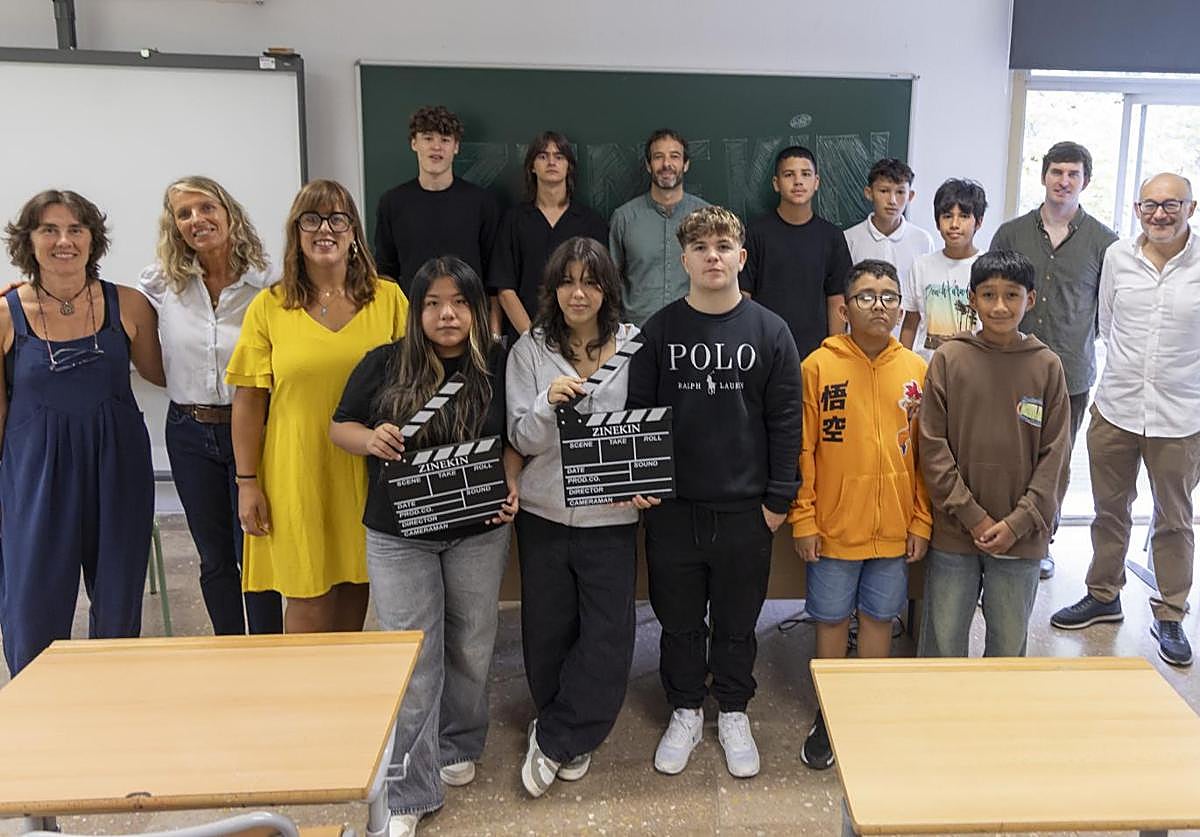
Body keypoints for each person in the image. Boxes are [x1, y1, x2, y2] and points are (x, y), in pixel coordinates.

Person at [330, 255, 519, 837]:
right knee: (412, 653)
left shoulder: (501, 365)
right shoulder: (382, 364)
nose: (447, 314)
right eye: (434, 303)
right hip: (397, 532)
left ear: (475, 309)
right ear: (416, 311)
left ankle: (459, 739)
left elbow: (516, 437)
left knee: (471, 639)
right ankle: (408, 790)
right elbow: (340, 426)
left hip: (477, 528)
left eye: (459, 302)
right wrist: (370, 437)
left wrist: (509, 481)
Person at [627, 206, 803, 780]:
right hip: (673, 509)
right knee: (677, 622)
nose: (712, 256)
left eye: (723, 246)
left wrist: (779, 499)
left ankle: (732, 709)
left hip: (746, 510)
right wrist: (643, 482)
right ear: (684, 260)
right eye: (700, 247)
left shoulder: (771, 331)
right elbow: (639, 415)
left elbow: (785, 421)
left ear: (740, 258)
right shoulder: (658, 330)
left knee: (735, 621)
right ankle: (683, 708)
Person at [227, 179, 408, 635]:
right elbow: (249, 401)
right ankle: (302, 703)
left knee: (354, 589)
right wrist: (246, 482)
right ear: (296, 231)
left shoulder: (389, 299)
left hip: (367, 468)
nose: (324, 229)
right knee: (307, 600)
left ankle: (342, 702)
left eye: (337, 219)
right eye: (312, 219)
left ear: (353, 232)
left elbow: (418, 382)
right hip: (296, 468)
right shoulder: (270, 306)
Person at [1, 189, 164, 675]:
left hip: (117, 467)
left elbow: (162, 374)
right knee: (32, 600)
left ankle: (111, 708)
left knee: (118, 601)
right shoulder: (6, 313)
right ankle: (38, 713)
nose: (63, 241)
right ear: (28, 241)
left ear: (94, 240)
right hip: (34, 472)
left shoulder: (129, 305)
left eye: (76, 229)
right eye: (49, 229)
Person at [505, 236, 643, 798]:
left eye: (590, 281)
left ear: (608, 289)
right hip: (543, 511)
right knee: (548, 627)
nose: (578, 293)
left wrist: (645, 480)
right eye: (567, 281)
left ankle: (559, 737)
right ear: (552, 288)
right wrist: (545, 405)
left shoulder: (635, 345)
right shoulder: (530, 352)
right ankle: (561, 721)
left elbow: (650, 428)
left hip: (611, 515)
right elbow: (519, 435)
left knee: (608, 632)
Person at [1050, 173, 1200, 668]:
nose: (1160, 214)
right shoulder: (1118, 257)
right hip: (1117, 406)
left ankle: (1171, 612)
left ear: (1190, 207)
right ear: (1138, 209)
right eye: (1150, 205)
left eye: (1171, 205)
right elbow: (1107, 324)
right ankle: (1103, 594)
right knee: (1109, 509)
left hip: (1181, 415)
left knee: (1174, 518)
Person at [790, 259, 931, 771]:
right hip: (831, 529)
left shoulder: (916, 370)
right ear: (845, 307)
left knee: (878, 617)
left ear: (900, 307)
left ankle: (869, 709)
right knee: (829, 620)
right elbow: (803, 450)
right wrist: (803, 519)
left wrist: (920, 520)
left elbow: (924, 455)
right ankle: (831, 714)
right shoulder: (817, 367)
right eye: (867, 296)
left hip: (894, 529)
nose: (879, 305)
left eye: (889, 296)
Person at [139, 175, 283, 635]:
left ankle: (265, 650)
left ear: (228, 212)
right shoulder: (162, 284)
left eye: (206, 208)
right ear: (174, 226)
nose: (197, 220)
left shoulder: (270, 284)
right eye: (184, 213)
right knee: (214, 556)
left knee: (256, 551)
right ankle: (229, 648)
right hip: (188, 432)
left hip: (255, 429)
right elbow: (107, 309)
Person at [917, 250, 1070, 659]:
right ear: (972, 299)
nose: (1000, 306)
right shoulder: (950, 358)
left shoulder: (1047, 366)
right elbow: (932, 445)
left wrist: (1018, 522)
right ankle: (941, 721)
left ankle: (998, 724)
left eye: (1012, 295)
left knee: (1007, 647)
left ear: (1031, 299)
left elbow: (1056, 457)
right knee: (943, 642)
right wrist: (973, 515)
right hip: (955, 531)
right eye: (988, 295)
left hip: (1021, 537)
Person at [990, 142, 1118, 580]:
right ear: (1043, 175)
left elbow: (1108, 309)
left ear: (1085, 181)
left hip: (1070, 373)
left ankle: (1040, 540)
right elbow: (992, 290)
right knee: (1006, 453)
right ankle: (1000, 535)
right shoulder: (1011, 233)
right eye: (1057, 172)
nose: (1064, 181)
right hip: (1008, 368)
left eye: (1073, 174)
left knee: (1054, 462)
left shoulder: (1105, 242)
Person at [373, 105, 501, 312]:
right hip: (411, 319)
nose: (436, 147)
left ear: (456, 147)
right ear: (414, 143)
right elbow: (386, 271)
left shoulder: (482, 203)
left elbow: (494, 275)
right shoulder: (392, 202)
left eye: (445, 139)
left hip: (469, 318)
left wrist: (493, 330)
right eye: (428, 138)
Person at [489, 131, 608, 340]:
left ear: (569, 166)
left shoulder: (591, 222)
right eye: (543, 156)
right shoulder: (513, 220)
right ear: (532, 167)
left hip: (579, 340)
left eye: (559, 156)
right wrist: (532, 339)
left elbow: (599, 285)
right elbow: (505, 289)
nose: (551, 162)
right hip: (525, 338)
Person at [740, 145, 852, 359]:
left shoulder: (832, 236)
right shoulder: (755, 233)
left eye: (806, 174)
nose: (798, 181)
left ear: (816, 182)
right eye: (789, 174)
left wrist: (833, 353)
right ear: (776, 183)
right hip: (765, 349)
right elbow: (744, 295)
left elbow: (837, 298)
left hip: (816, 353)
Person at [609, 128, 709, 327]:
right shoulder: (624, 218)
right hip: (637, 335)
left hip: (694, 332)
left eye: (674, 156)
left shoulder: (707, 218)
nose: (666, 164)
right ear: (648, 165)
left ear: (685, 164)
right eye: (658, 157)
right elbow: (610, 282)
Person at [843, 158, 936, 338]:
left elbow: (924, 298)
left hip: (906, 343)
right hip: (859, 341)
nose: (892, 200)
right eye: (884, 191)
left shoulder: (923, 241)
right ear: (869, 193)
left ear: (911, 196)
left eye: (900, 192)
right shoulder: (849, 239)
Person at [899, 179, 987, 360]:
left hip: (973, 369)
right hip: (927, 369)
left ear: (978, 222)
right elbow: (910, 324)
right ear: (938, 222)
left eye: (963, 216)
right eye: (947, 216)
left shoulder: (988, 267)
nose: (954, 224)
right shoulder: (921, 265)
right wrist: (903, 366)